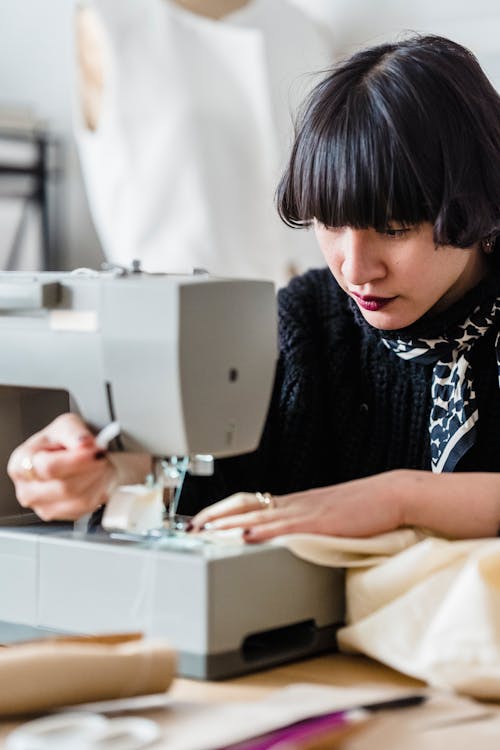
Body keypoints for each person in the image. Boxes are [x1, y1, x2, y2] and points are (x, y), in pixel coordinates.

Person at [8, 34, 500, 541]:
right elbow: (215, 470)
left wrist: (396, 499)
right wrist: (109, 472)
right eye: (329, 224)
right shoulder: (307, 325)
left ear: (477, 199)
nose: (355, 270)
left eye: (394, 230)